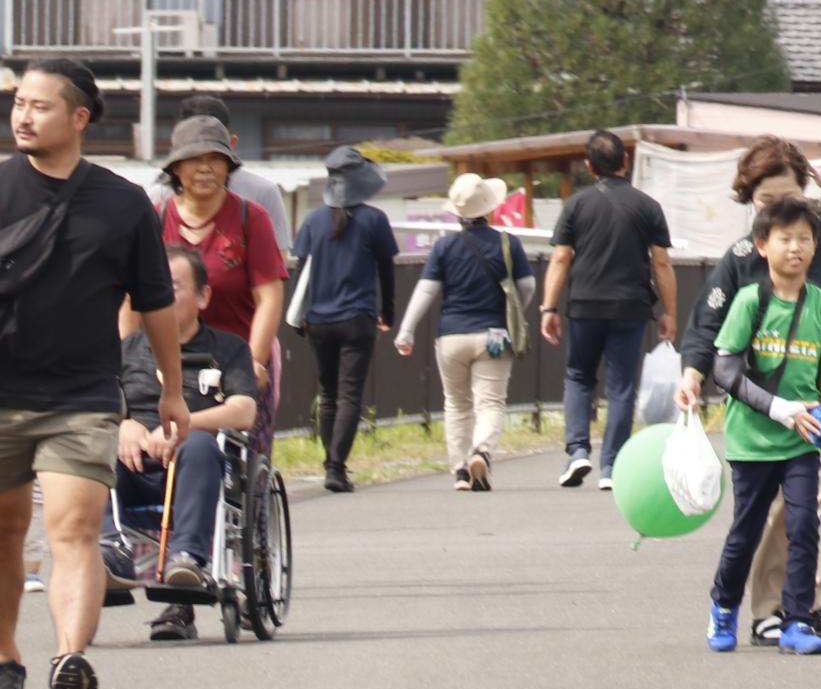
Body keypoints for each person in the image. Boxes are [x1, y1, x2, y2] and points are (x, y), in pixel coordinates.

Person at [0, 58, 186, 689]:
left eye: (40, 105)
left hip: (82, 393)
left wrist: (169, 391)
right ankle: (6, 662)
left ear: (79, 117)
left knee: (73, 529)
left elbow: (156, 300)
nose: (24, 115)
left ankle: (68, 657)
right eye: (20, 103)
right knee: (3, 529)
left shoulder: (122, 203)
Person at [676, 137, 821, 647]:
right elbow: (707, 323)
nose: (778, 213)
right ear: (751, 203)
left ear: (806, 191)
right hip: (766, 408)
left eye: (786, 196)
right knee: (775, 513)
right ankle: (767, 610)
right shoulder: (742, 257)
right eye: (765, 202)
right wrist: (692, 372)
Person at [704, 195, 821, 657]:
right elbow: (724, 371)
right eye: (785, 239)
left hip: (801, 441)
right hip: (751, 441)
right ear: (763, 245)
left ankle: (797, 621)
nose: (795, 247)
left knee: (803, 526)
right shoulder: (750, 300)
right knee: (746, 532)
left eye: (805, 238)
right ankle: (724, 606)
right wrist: (782, 409)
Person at [115, 246, 259, 641]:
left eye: (173, 287)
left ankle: (187, 559)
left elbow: (244, 410)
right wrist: (124, 426)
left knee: (198, 446)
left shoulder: (228, 349)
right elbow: (96, 404)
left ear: (203, 297)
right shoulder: (127, 350)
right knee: (94, 454)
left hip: (199, 466)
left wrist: (184, 426)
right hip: (136, 463)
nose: (160, 295)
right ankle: (110, 552)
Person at [539, 130, 676, 490]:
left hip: (584, 304)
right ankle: (611, 467)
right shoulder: (648, 207)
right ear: (625, 162)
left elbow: (561, 257)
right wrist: (671, 312)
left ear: (589, 165)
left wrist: (549, 307)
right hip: (631, 307)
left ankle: (578, 451)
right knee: (621, 387)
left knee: (579, 376)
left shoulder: (576, 205)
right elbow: (661, 263)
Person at [394, 173, 535, 491]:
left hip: (451, 336)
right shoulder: (507, 243)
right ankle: (482, 452)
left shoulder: (444, 246)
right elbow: (527, 286)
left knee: (456, 404)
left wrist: (407, 330)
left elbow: (426, 291)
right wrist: (514, 311)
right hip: (494, 335)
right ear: (489, 208)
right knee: (490, 403)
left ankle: (460, 471)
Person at [288, 147, 398, 494]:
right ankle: (336, 467)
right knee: (350, 394)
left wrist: (301, 314)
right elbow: (386, 271)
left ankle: (329, 463)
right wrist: (388, 312)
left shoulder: (312, 220)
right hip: (358, 318)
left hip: (319, 320)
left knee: (328, 394)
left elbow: (300, 271)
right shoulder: (375, 220)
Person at [154, 117, 285, 393]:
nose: (205, 168)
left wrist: (254, 360)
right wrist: (128, 361)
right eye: (194, 159)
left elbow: (269, 297)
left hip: (236, 361)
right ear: (176, 167)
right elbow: (132, 300)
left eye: (215, 159)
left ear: (228, 166)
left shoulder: (252, 218)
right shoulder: (155, 217)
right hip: (163, 364)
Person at [174, 94, 293, 254]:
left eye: (213, 153)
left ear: (231, 143)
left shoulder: (263, 193)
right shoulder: (159, 201)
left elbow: (277, 263)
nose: (204, 168)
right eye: (193, 155)